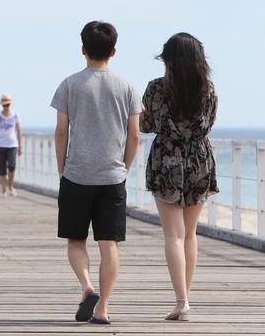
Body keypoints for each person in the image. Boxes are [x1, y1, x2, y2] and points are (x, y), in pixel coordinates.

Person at [50, 21, 141, 325]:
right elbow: (135, 135)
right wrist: (124, 167)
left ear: (83, 50)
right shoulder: (126, 86)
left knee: (76, 241)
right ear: (113, 51)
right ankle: (102, 308)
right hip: (112, 177)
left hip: (76, 176)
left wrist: (63, 168)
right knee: (109, 244)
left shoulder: (69, 84)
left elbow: (61, 132)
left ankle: (87, 286)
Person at [140, 33, 218, 321]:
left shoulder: (156, 89)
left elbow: (146, 125)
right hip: (199, 158)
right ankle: (187, 297)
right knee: (190, 233)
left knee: (173, 233)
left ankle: (181, 301)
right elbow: (209, 123)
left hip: (167, 160)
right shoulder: (208, 89)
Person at [0, 94, 22, 197]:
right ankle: (4, 190)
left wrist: (20, 146)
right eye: (4, 105)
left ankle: (11, 187)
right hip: (0, 145)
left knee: (12, 166)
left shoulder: (15, 115)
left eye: (7, 105)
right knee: (2, 168)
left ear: (10, 104)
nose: (6, 107)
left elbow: (19, 131)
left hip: (12, 145)